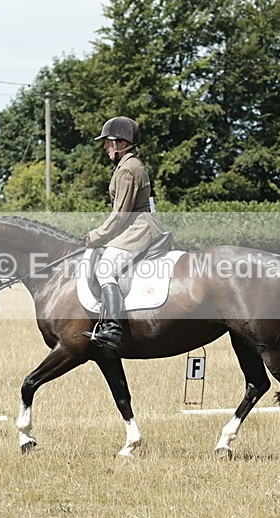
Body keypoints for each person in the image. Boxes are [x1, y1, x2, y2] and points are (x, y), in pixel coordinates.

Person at [83, 116, 167, 349]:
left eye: (108, 143)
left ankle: (113, 328)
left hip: (137, 229)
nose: (105, 147)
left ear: (121, 143)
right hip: (136, 225)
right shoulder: (129, 165)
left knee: (105, 270)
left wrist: (96, 236)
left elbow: (121, 214)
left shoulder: (128, 170)